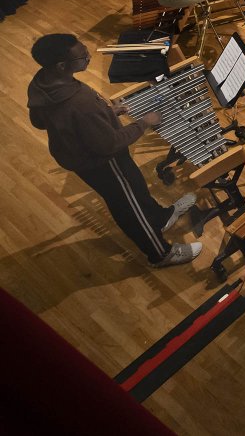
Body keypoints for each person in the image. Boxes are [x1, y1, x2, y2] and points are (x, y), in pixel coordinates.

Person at [27, 34, 200, 268]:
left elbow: (40, 121)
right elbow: (109, 144)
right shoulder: (78, 103)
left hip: (80, 153)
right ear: (61, 65)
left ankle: (160, 217)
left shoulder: (41, 84)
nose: (89, 56)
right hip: (102, 161)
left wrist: (106, 114)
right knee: (127, 205)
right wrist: (144, 122)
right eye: (82, 55)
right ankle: (160, 254)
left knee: (135, 186)